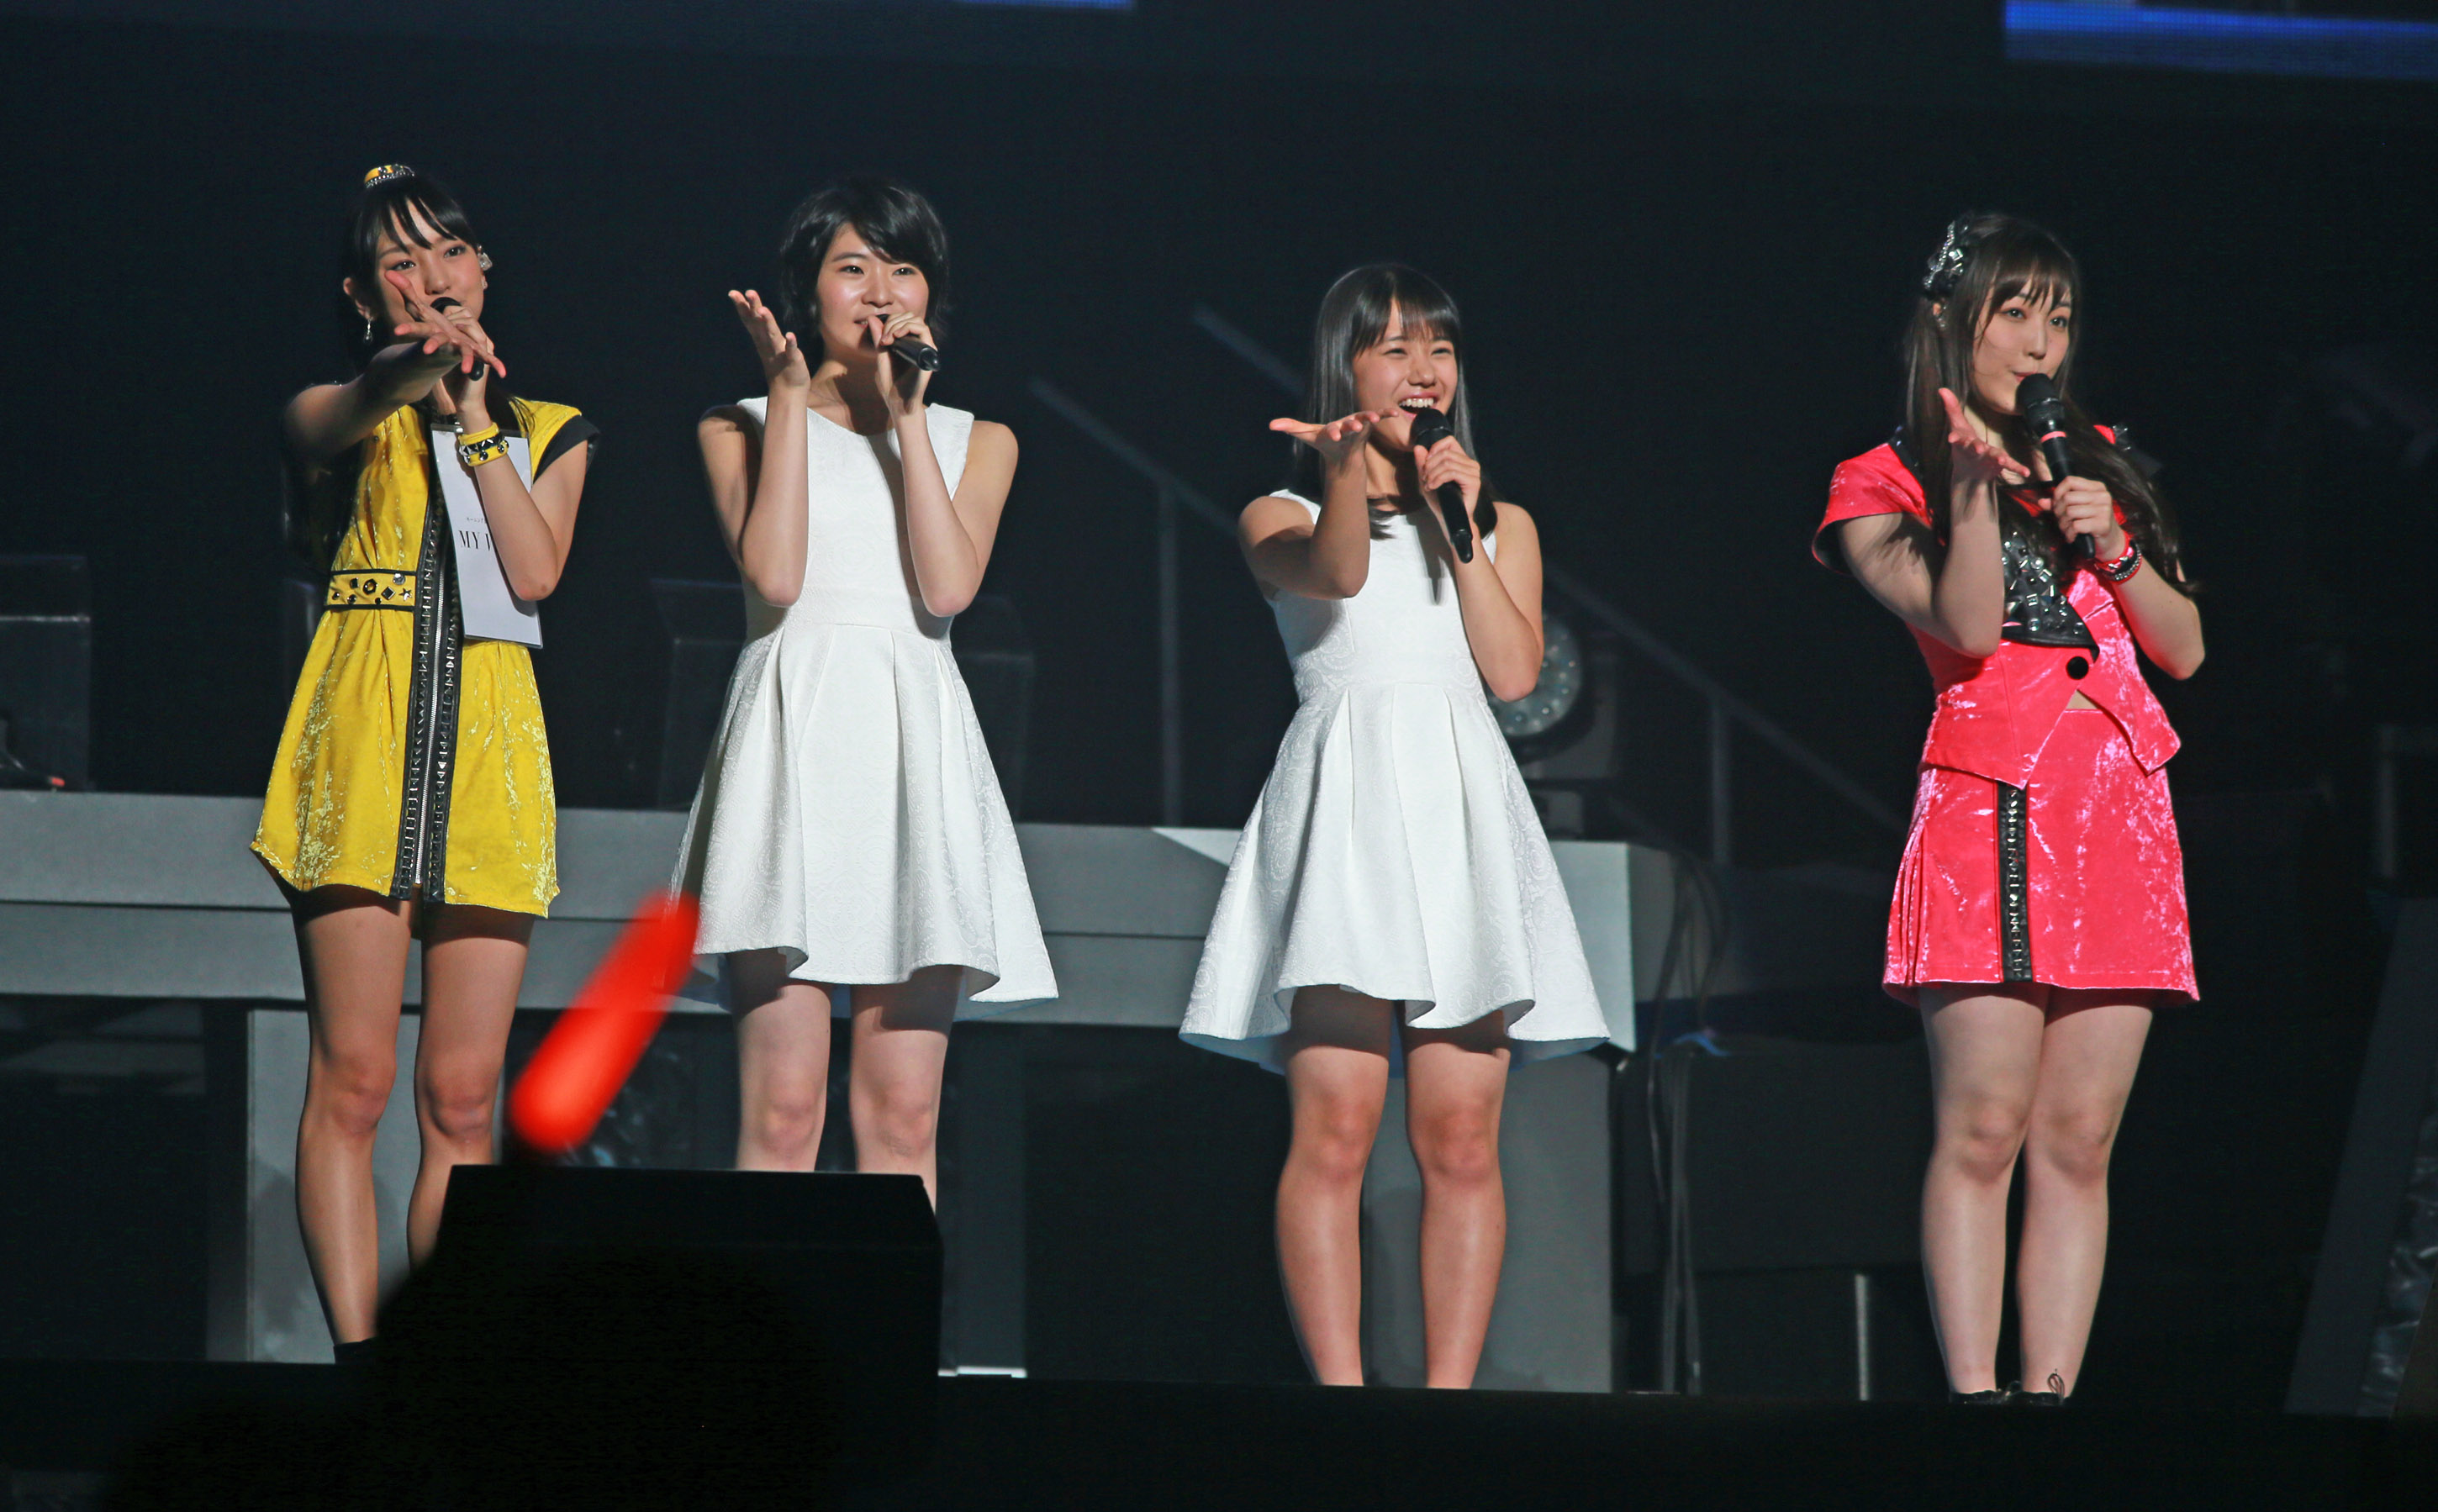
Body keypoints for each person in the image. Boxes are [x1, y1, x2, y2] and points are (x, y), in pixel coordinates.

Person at [1179, 265, 1607, 1388]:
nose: (1426, 370)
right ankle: (1342, 1399)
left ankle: (1447, 1405)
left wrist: (1459, 523)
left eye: (1441, 349)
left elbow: (1512, 673)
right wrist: (1341, 472)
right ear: (1345, 366)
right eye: (1396, 347)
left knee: (1462, 1136)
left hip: (1460, 810)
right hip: (1346, 811)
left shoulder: (1499, 521)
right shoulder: (1278, 514)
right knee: (1334, 1129)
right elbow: (1336, 573)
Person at [1814, 213, 2204, 1405]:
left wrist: (2115, 539)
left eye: (2060, 318)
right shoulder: (1876, 482)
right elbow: (1970, 627)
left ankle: (2050, 1401)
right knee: (1984, 1125)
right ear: (1950, 321)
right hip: (1992, 811)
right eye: (2015, 312)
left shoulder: (2101, 461)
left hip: (2120, 809)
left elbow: (2184, 648)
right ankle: (1975, 1401)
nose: (2041, 342)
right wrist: (1976, 494)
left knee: (2078, 1140)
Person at [254, 165, 597, 1358]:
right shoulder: (335, 411)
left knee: (461, 1095)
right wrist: (419, 369)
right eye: (399, 261)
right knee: (352, 1078)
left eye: (449, 249)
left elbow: (534, 571)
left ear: (485, 267)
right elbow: (356, 402)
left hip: (491, 755)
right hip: (363, 738)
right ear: (363, 294)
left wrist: (475, 413)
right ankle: (355, 1365)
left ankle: (438, 1367)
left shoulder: (550, 427)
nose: (432, 274)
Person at [673, 177, 1053, 1200]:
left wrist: (910, 418)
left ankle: (893, 1315)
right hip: (789, 750)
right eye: (852, 268)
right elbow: (776, 576)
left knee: (903, 1116)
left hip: (910, 755)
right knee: (782, 1111)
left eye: (903, 269)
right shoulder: (741, 423)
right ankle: (765, 1314)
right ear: (809, 292)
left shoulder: (980, 438)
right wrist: (789, 399)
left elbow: (946, 588)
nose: (880, 292)